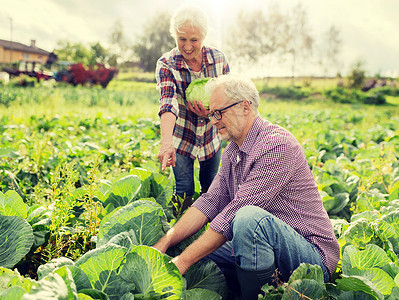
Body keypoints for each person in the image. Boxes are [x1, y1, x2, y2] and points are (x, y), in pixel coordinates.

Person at [153, 75, 340, 299]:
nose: (213, 121)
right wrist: (165, 241)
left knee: (248, 218)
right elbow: (210, 201)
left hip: (310, 256)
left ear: (245, 107)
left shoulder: (277, 145)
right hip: (264, 246)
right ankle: (250, 284)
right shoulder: (233, 151)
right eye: (212, 114)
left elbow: (234, 214)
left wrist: (182, 263)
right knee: (187, 244)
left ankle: (256, 295)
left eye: (218, 112)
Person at [156, 4, 230, 214]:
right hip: (182, 138)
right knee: (184, 191)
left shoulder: (219, 60)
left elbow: (229, 98)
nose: (187, 46)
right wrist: (166, 142)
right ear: (174, 36)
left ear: (204, 36)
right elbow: (168, 102)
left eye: (194, 40)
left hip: (211, 136)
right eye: (182, 39)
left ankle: (208, 234)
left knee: (211, 188)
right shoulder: (166, 64)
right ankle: (183, 234)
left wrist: (212, 113)